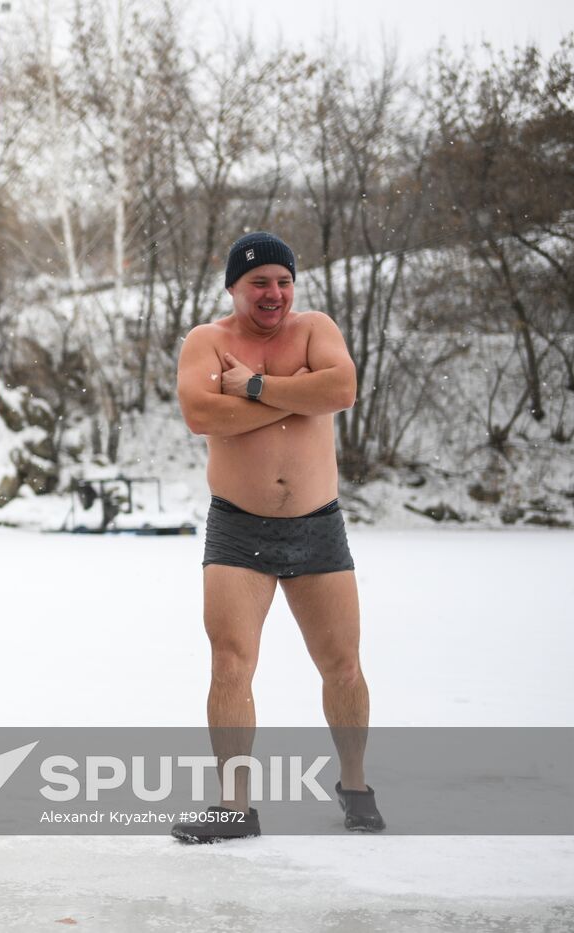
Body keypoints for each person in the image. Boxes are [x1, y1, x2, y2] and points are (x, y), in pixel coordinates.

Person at [171, 232, 385, 842]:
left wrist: (257, 387)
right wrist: (299, 399)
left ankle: (355, 784)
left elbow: (341, 390)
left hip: (318, 523)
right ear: (234, 288)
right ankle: (234, 807)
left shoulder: (316, 328)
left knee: (342, 664)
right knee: (231, 663)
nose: (274, 294)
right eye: (260, 282)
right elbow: (200, 415)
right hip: (238, 526)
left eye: (283, 281)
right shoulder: (207, 341)